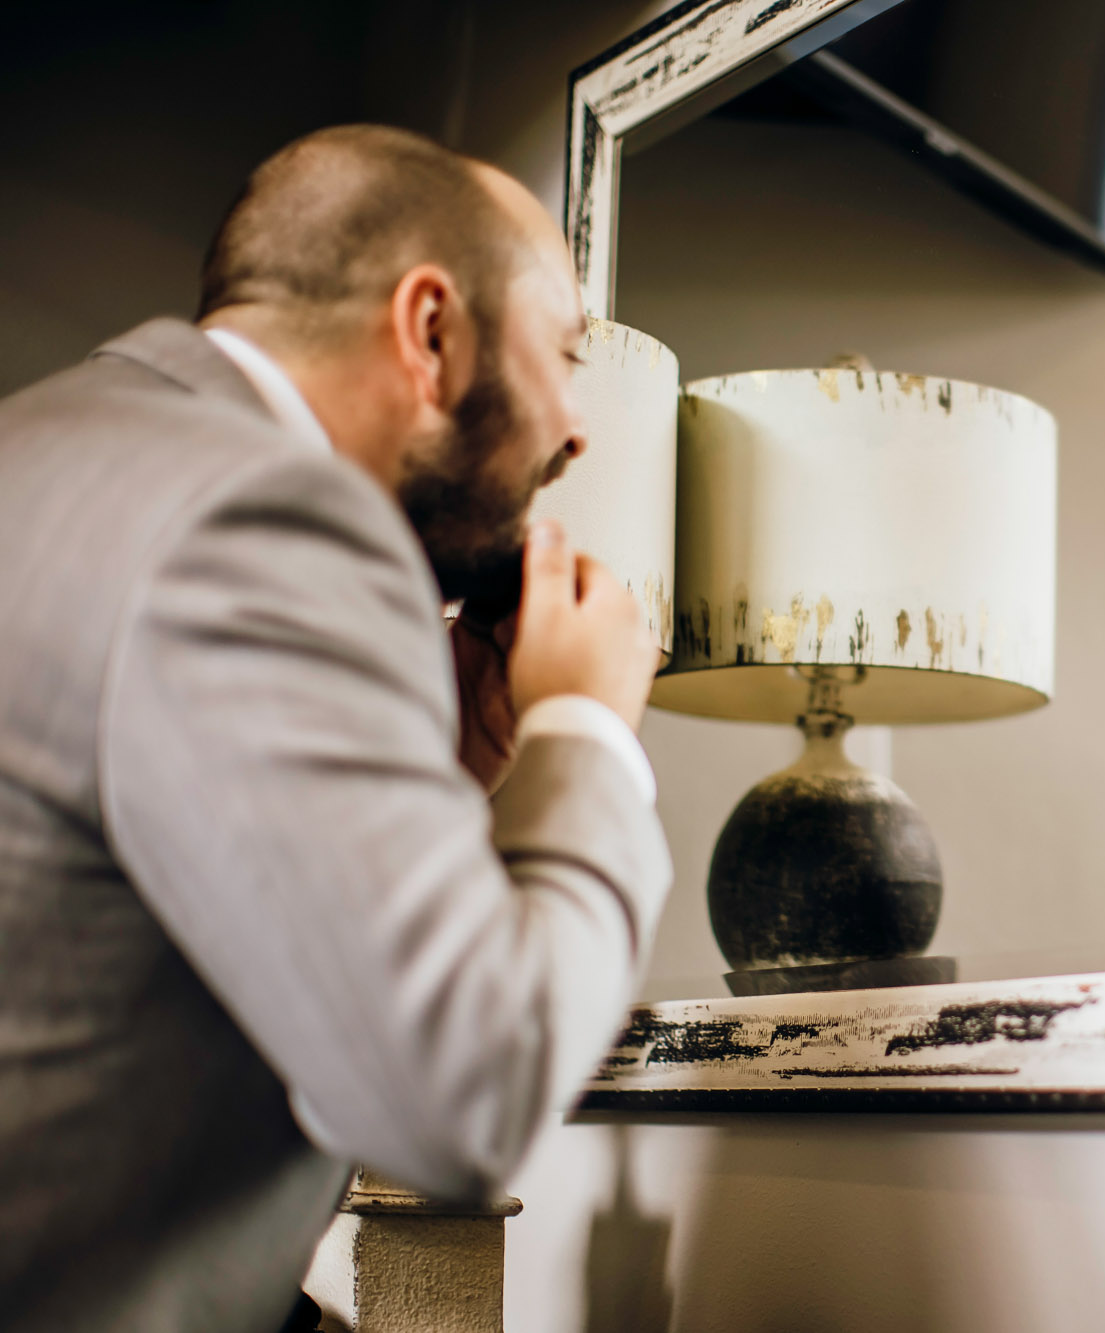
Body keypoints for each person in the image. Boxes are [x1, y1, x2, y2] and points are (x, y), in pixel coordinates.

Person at [0, 126, 670, 1330]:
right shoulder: (263, 514)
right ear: (429, 331)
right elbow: (468, 1097)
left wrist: (448, 788)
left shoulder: (47, 447)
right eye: (564, 355)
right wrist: (586, 728)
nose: (577, 429)